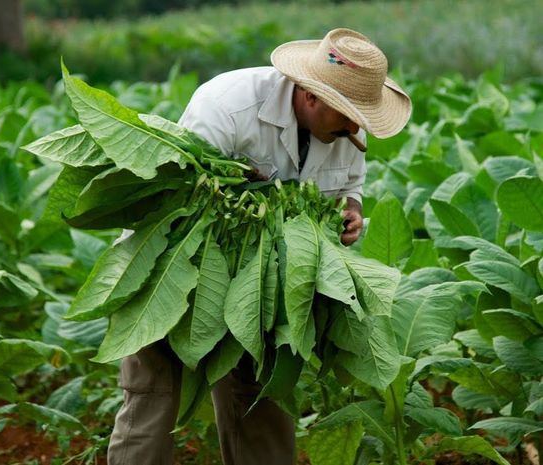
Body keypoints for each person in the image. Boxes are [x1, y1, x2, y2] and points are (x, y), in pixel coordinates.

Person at [107, 27, 411, 465]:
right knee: (152, 397)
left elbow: (350, 186)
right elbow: (181, 198)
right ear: (311, 96)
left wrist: (350, 214)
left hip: (262, 286)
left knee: (260, 402)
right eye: (347, 115)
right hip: (171, 268)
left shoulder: (346, 130)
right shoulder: (228, 105)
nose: (355, 127)